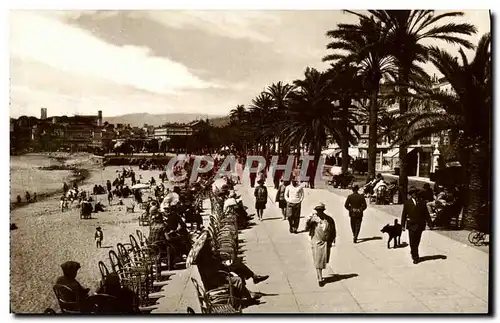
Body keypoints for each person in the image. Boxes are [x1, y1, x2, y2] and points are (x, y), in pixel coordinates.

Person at [305, 203, 336, 286]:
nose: (319, 212)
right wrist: (309, 221)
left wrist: (332, 240)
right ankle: (320, 278)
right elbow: (306, 228)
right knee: (318, 260)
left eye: (321, 210)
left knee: (324, 260)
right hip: (316, 242)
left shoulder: (329, 219)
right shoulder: (313, 219)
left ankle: (320, 274)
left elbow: (333, 230)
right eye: (318, 210)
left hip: (326, 242)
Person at [401, 188, 433, 264]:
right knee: (412, 242)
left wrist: (430, 223)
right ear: (411, 195)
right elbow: (404, 215)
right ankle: (415, 256)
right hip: (411, 224)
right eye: (413, 193)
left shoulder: (422, 202)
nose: (415, 195)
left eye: (416, 193)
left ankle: (414, 252)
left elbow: (426, 214)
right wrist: (402, 225)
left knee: (417, 241)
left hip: (420, 225)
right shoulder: (407, 203)